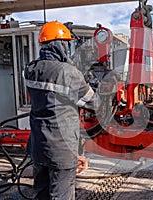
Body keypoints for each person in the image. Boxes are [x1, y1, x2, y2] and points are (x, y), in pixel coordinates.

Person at [25, 21, 95, 200]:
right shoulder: (69, 72)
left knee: (41, 192)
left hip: (38, 145)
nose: (68, 48)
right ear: (59, 45)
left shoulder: (31, 69)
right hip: (62, 150)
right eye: (67, 44)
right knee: (61, 194)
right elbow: (93, 102)